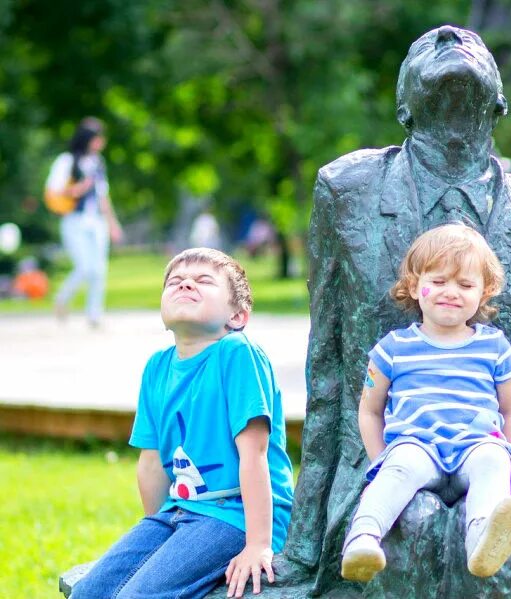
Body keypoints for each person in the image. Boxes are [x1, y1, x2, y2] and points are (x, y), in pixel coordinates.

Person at [289, 25, 511, 595]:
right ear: (402, 104)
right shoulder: (345, 191)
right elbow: (326, 369)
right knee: (409, 536)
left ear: (499, 101)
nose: (448, 35)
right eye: (425, 46)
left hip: (494, 458)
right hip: (388, 458)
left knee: (496, 559)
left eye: (473, 44)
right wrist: (304, 534)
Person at [69, 248, 294, 599]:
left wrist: (258, 544)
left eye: (203, 281)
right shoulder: (157, 367)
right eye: (175, 281)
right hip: (180, 511)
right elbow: (151, 463)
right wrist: (158, 532)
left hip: (234, 514)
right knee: (88, 592)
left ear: (237, 315)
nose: (186, 283)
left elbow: (255, 454)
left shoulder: (237, 354)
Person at [340, 224, 511, 582]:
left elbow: (510, 409)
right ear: (415, 286)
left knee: (493, 460)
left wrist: (503, 448)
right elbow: (369, 409)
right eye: (439, 281)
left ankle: (482, 542)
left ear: (484, 292)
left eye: (465, 284)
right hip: (418, 447)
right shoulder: (393, 348)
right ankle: (363, 538)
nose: (450, 292)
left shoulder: (495, 347)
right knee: (399, 467)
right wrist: (381, 457)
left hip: (473, 447)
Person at [45, 117, 123, 327]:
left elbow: (103, 196)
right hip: (74, 219)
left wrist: (113, 224)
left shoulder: (98, 162)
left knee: (99, 270)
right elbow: (53, 190)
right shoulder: (67, 161)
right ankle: (62, 299)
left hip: (96, 221)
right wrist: (78, 189)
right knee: (84, 267)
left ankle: (94, 314)